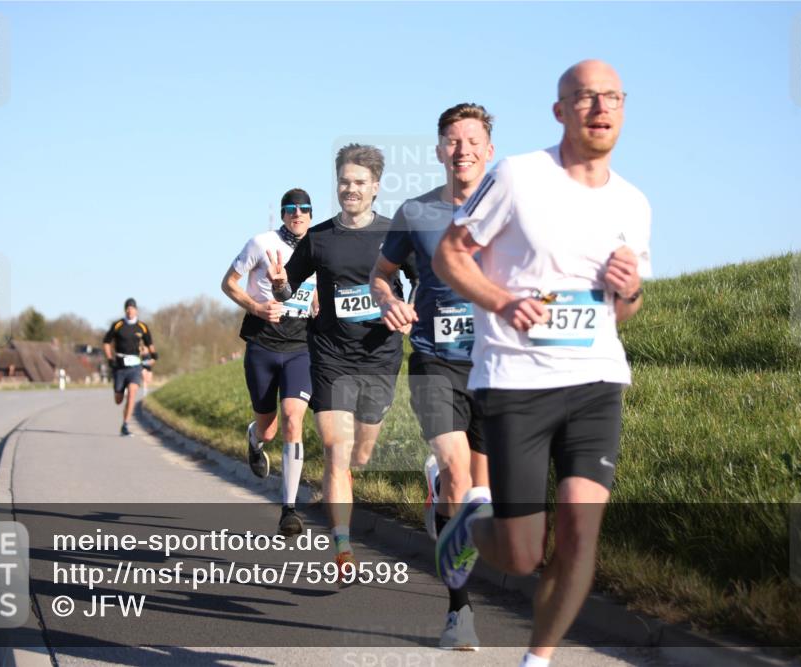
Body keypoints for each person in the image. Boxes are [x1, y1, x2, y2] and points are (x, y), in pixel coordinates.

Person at [432, 60, 651, 667]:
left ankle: (538, 660)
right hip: (515, 381)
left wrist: (628, 290)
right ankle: (471, 524)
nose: (600, 108)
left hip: (597, 381)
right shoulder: (519, 176)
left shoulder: (633, 203)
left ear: (623, 109)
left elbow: (624, 312)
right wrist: (503, 300)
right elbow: (453, 255)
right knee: (523, 554)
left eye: (611, 97)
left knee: (581, 535)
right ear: (561, 111)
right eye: (584, 98)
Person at [369, 102, 495, 650]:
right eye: (452, 139)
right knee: (456, 469)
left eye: (472, 139)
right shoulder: (415, 213)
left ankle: (438, 500)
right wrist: (388, 300)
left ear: (489, 150)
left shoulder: (515, 210)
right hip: (434, 359)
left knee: (482, 499)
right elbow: (381, 274)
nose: (462, 147)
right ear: (439, 150)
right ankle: (458, 612)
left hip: (498, 365)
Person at [269, 145, 416, 583]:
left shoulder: (396, 234)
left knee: (361, 453)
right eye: (343, 182)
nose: (350, 189)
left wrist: (408, 310)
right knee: (336, 450)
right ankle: (343, 548)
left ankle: (350, 489)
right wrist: (279, 287)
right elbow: (285, 290)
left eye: (358, 182)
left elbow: (421, 281)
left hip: (380, 354)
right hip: (330, 354)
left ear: (374, 187)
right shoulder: (319, 238)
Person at [221, 188, 317, 536]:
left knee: (293, 418)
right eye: (291, 208)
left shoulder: (319, 245)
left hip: (300, 346)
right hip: (262, 342)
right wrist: (257, 307)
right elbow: (228, 283)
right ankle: (255, 438)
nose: (297, 213)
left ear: (310, 212)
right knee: (269, 427)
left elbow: (320, 292)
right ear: (283, 213)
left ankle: (288, 510)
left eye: (304, 208)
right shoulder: (260, 243)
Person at [103, 298, 157, 437]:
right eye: (127, 308)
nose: (129, 310)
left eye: (132, 308)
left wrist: (154, 354)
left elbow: (149, 343)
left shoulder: (142, 327)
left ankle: (125, 425)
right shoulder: (118, 325)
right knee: (118, 399)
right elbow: (106, 342)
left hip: (135, 366)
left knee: (132, 393)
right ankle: (120, 393)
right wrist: (109, 358)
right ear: (125, 310)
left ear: (136, 310)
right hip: (120, 366)